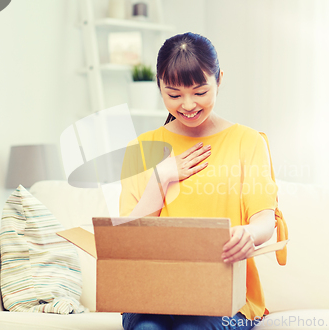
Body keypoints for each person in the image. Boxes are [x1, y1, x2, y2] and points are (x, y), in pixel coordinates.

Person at [119, 32, 278, 330]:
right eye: (174, 95)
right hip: (152, 295)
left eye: (200, 92)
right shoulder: (141, 147)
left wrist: (248, 233)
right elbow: (127, 239)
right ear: (159, 86)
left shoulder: (248, 142)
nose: (188, 105)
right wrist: (161, 178)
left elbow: (264, 221)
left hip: (227, 297)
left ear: (219, 79)